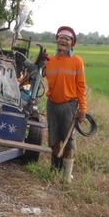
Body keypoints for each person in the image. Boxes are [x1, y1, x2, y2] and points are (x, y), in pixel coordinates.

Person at [44, 26, 87, 182]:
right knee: (54, 140)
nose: (63, 40)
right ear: (56, 40)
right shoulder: (49, 60)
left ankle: (67, 176)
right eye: (60, 37)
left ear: (72, 43)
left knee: (69, 143)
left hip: (69, 106)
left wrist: (83, 109)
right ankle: (54, 171)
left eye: (67, 39)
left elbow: (81, 86)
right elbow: (34, 77)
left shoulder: (76, 61)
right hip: (52, 105)